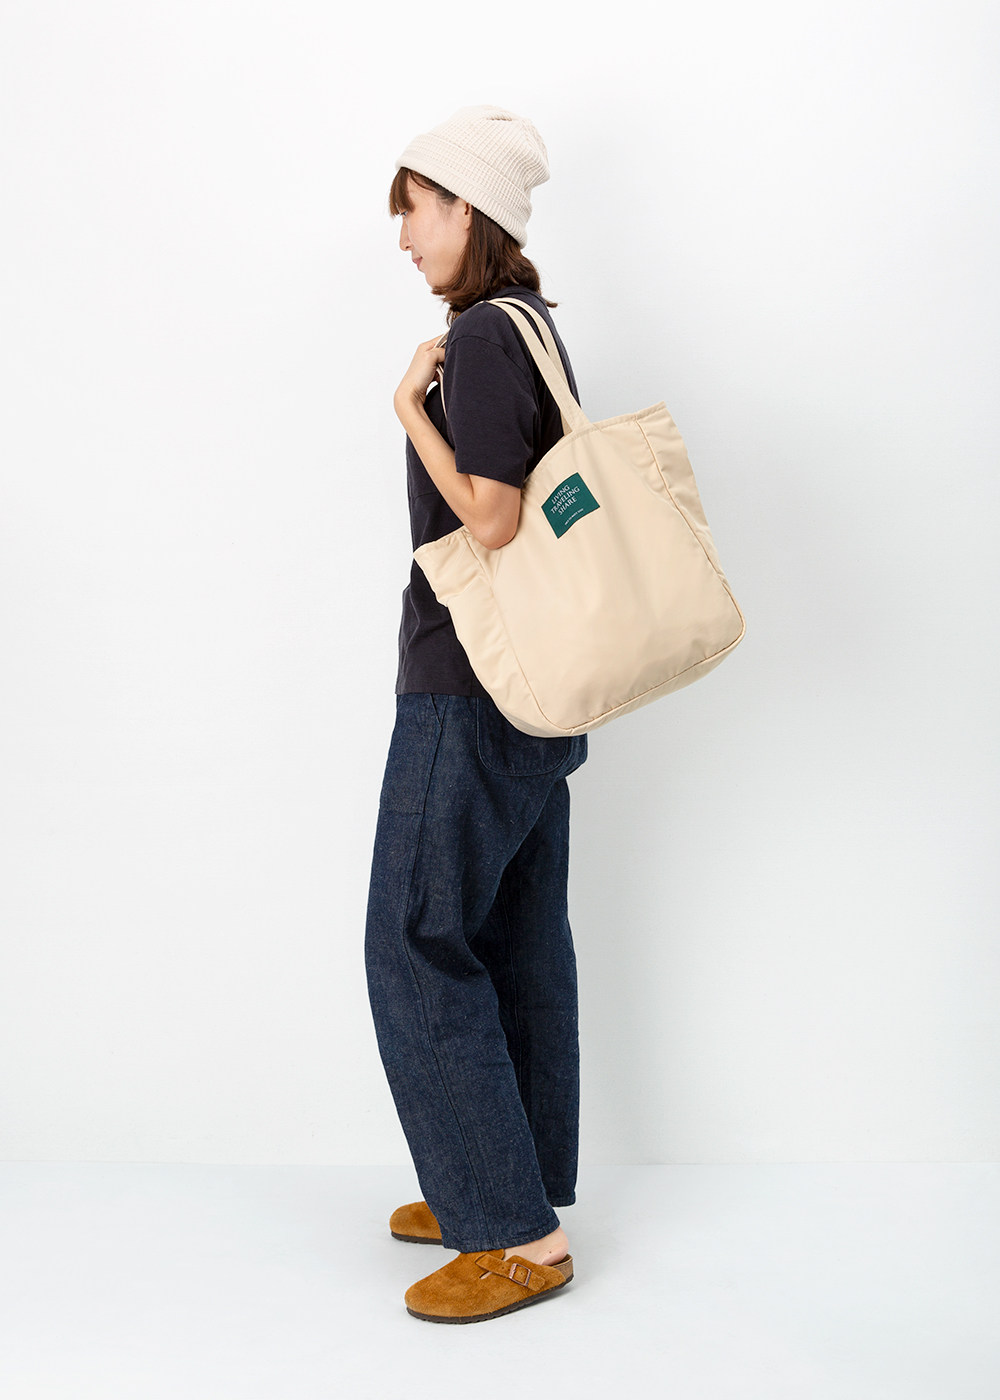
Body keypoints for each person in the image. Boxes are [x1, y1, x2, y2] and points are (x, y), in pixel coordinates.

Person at [364, 104, 589, 1324]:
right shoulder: (533, 325)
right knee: (513, 936)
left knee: (413, 936)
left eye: (415, 208)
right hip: (537, 687)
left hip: (468, 680)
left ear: (468, 206)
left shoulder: (484, 337)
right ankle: (511, 1182)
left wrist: (410, 407)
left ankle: (512, 1232)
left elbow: (492, 518)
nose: (404, 235)